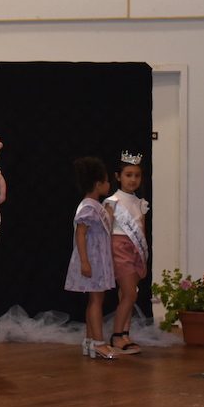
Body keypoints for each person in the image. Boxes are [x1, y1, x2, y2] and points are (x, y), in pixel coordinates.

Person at [64, 157, 118, 359]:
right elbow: (80, 233)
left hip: (98, 259)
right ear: (98, 184)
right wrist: (85, 261)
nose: (109, 185)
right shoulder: (88, 207)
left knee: (96, 298)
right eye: (106, 181)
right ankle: (99, 343)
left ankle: (89, 340)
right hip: (93, 260)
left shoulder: (97, 206)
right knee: (96, 300)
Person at [104, 151, 148, 355]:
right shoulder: (112, 201)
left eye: (137, 175)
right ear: (118, 176)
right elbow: (106, 230)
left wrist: (144, 256)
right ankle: (116, 336)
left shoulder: (140, 203)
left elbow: (142, 231)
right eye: (128, 175)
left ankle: (124, 334)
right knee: (130, 293)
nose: (133, 179)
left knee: (127, 294)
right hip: (118, 247)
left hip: (136, 249)